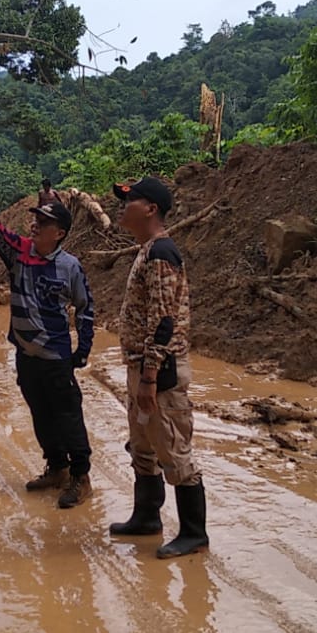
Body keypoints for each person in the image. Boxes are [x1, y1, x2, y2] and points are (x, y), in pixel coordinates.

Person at [0, 177, 96, 508]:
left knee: (68, 416)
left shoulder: (69, 266)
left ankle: (81, 476)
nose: (34, 225)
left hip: (56, 357)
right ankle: (57, 468)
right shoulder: (18, 253)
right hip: (26, 356)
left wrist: (83, 350)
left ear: (58, 232)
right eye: (35, 219)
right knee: (41, 415)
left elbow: (86, 308)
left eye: (43, 222)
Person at [108, 176, 208, 558]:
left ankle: (195, 534)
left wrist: (150, 376)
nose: (123, 205)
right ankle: (146, 518)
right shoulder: (148, 250)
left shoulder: (161, 253)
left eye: (130, 199)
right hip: (143, 369)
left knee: (174, 450)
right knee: (143, 447)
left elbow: (163, 321)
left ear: (150, 209)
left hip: (160, 372)